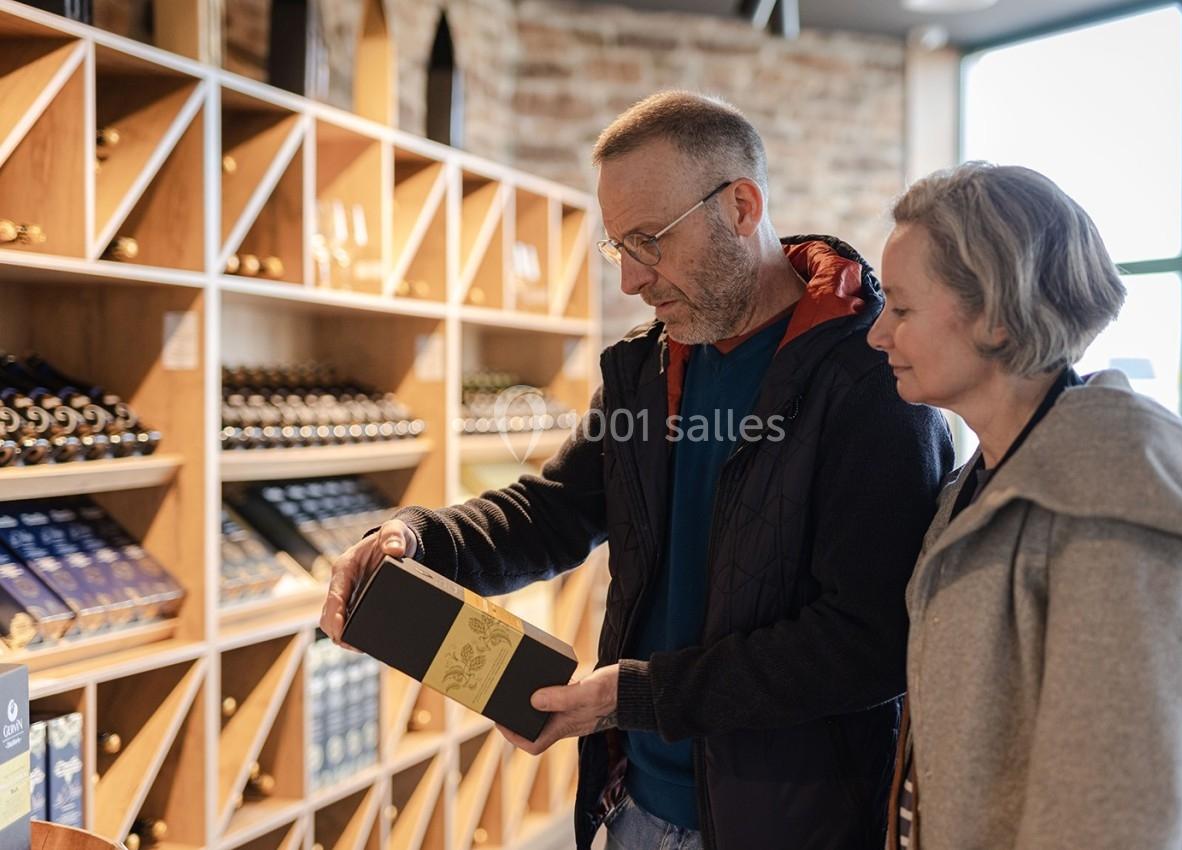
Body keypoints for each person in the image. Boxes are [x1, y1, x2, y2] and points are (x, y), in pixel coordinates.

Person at [321, 91, 952, 850]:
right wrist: (417, 540)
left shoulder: (874, 378)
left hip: (791, 822)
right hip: (634, 806)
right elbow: (554, 510)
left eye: (650, 241)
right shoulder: (651, 366)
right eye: (619, 247)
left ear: (742, 206)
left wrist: (642, 696)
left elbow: (870, 642)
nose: (630, 280)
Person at [868, 161, 1182, 850]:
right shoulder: (982, 482)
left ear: (994, 317)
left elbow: (1117, 819)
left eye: (900, 309)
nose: (878, 334)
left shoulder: (1118, 509)